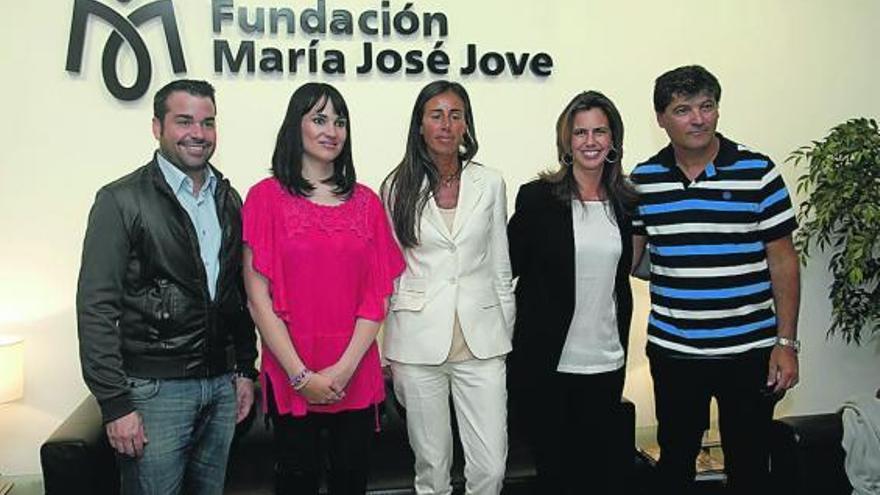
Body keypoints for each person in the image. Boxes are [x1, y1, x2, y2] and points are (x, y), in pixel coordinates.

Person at [76, 79, 258, 495]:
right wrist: (116, 403)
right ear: (157, 127)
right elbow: (95, 309)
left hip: (221, 387)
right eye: (184, 121)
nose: (198, 133)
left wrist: (246, 369)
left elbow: (236, 296)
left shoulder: (228, 200)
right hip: (154, 393)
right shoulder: (120, 200)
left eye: (208, 122)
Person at [631, 65, 801, 494]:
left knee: (749, 469)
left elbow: (783, 261)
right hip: (675, 353)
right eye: (683, 109)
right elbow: (632, 259)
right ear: (661, 118)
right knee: (675, 468)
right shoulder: (644, 181)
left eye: (706, 106)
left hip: (748, 353)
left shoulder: (757, 171)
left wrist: (786, 344)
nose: (698, 119)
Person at [242, 82, 404, 495]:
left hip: (354, 370)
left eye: (340, 121)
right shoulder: (264, 198)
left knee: (352, 482)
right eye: (319, 119)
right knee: (296, 481)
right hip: (290, 368)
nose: (331, 130)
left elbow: (377, 296)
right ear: (295, 127)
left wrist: (344, 369)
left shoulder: (367, 202)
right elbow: (257, 299)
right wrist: (300, 375)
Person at [381, 80, 515, 495]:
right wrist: (386, 349)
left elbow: (500, 264)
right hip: (417, 345)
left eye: (455, 115)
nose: (446, 124)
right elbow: (390, 273)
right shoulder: (396, 187)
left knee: (490, 468)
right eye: (436, 115)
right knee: (432, 469)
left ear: (466, 125)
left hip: (482, 344)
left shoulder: (489, 182)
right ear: (420, 124)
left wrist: (503, 331)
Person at [506, 91, 637, 494]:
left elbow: (625, 273)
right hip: (549, 366)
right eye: (580, 132)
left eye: (600, 131)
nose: (590, 141)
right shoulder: (538, 198)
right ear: (566, 141)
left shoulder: (626, 200)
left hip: (606, 361)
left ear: (613, 139)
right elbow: (506, 270)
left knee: (599, 476)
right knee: (556, 477)